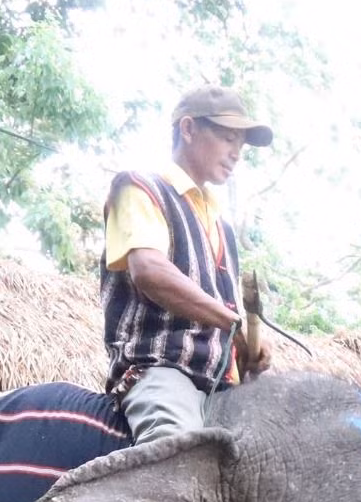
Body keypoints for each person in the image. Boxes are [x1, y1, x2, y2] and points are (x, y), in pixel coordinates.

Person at [101, 85, 275, 443]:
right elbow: (149, 270)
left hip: (219, 386)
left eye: (241, 145)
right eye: (228, 138)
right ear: (189, 128)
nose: (236, 153)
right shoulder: (140, 188)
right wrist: (233, 323)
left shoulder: (222, 227)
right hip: (161, 370)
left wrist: (247, 352)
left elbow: (223, 327)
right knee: (179, 453)